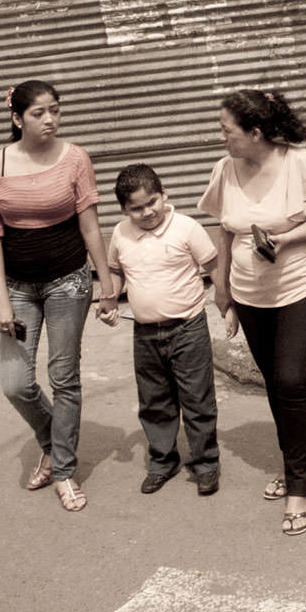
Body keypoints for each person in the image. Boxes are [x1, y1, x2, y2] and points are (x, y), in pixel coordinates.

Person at [199, 89, 306, 535]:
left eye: (227, 130)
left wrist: (285, 239)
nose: (221, 137)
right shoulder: (225, 170)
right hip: (249, 296)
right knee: (275, 386)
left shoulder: (299, 162)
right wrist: (221, 287)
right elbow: (223, 231)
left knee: (290, 380)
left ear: (255, 133)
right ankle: (291, 462)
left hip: (299, 290)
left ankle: (299, 488)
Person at [0, 79, 117, 513]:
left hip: (68, 281)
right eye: (39, 113)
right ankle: (51, 440)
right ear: (18, 119)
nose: (50, 119)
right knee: (15, 383)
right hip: (18, 287)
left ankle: (62, 470)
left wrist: (106, 282)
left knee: (64, 378)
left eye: (55, 110)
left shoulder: (75, 159)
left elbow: (91, 226)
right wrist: (0, 300)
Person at [100, 163, 221, 497]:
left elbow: (213, 266)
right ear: (124, 209)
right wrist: (109, 299)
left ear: (164, 194)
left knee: (197, 399)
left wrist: (228, 304)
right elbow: (116, 272)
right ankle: (162, 461)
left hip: (188, 328)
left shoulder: (186, 228)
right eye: (136, 208)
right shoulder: (121, 234)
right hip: (145, 334)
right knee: (154, 401)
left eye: (151, 202)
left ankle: (206, 463)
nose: (146, 212)